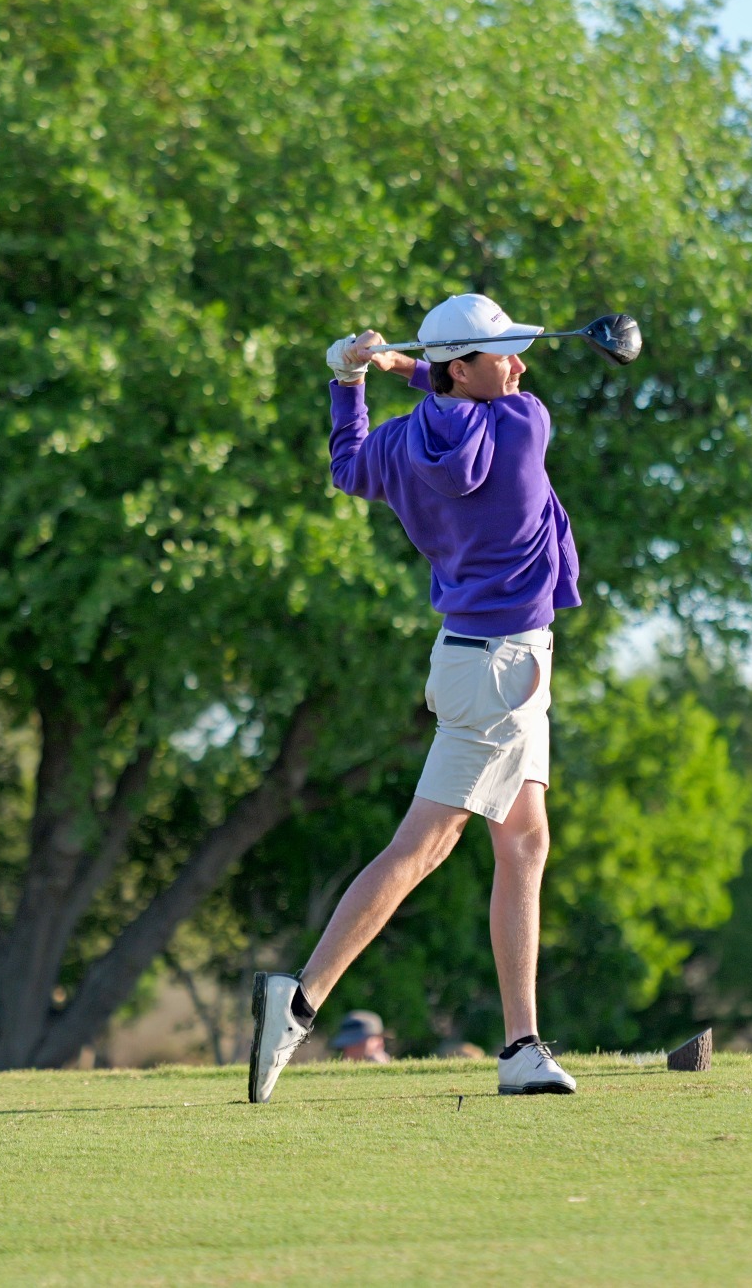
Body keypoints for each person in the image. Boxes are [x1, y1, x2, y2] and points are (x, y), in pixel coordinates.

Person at [248, 292, 581, 1103]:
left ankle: (519, 1046)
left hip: (477, 661)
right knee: (421, 849)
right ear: (463, 367)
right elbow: (480, 401)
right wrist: (403, 368)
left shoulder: (403, 445)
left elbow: (346, 461)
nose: (522, 364)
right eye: (504, 353)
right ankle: (298, 1000)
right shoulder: (524, 424)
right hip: (503, 672)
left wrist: (351, 379)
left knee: (523, 843)